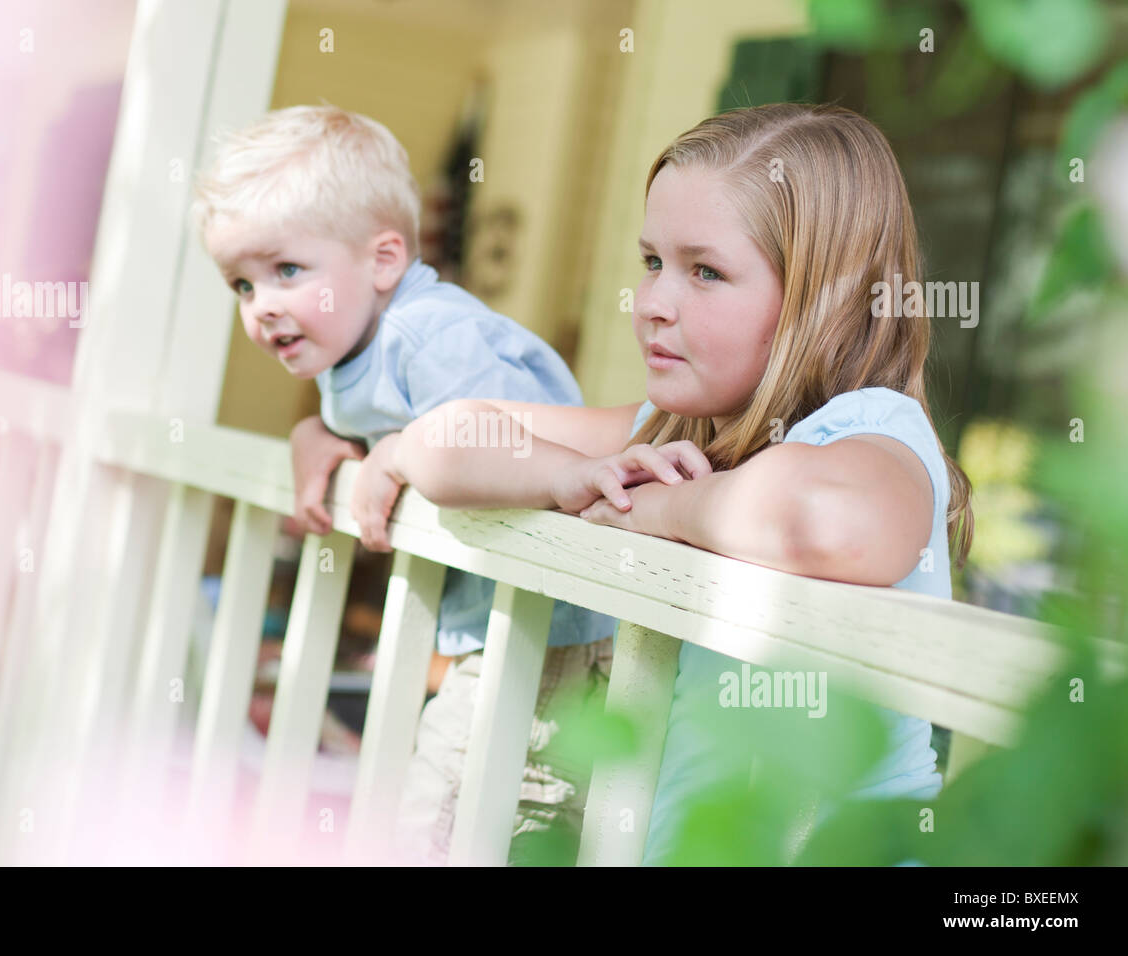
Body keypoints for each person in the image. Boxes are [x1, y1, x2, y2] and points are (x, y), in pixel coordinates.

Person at [389, 103, 975, 864]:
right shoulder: (676, 429)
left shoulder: (872, 429)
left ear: (821, 301)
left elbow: (827, 521)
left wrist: (658, 509)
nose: (654, 303)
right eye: (652, 262)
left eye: (706, 271)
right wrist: (569, 475)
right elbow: (446, 434)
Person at [190, 104, 616, 864]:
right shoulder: (353, 342)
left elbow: (516, 448)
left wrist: (402, 452)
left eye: (287, 270)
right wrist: (321, 434)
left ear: (384, 260)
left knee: (438, 822)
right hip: (501, 633)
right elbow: (374, 421)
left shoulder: (430, 337)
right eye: (242, 285)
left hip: (549, 636)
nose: (263, 307)